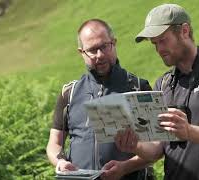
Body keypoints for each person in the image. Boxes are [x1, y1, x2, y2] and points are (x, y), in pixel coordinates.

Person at [115, 4, 199, 180]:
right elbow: (157, 149)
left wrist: (188, 131)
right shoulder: (163, 85)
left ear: (184, 31)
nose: (159, 50)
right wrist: (134, 145)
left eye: (163, 40)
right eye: (154, 44)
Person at [46, 19, 154, 180]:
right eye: (92, 50)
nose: (100, 55)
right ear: (81, 52)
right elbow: (54, 143)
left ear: (114, 43)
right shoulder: (70, 92)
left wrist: (125, 168)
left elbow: (156, 149)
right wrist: (59, 162)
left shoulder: (138, 88)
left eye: (104, 46)